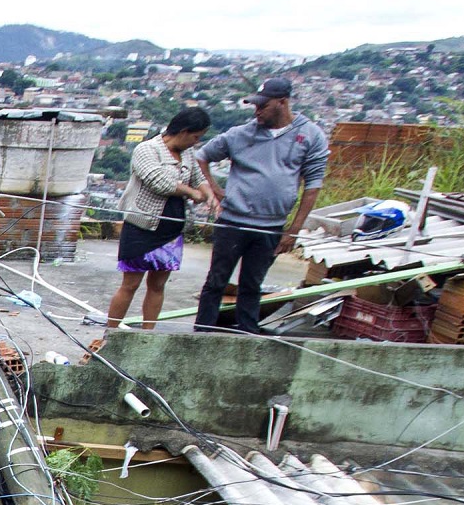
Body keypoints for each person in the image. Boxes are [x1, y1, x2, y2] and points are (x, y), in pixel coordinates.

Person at [192, 78, 328, 334]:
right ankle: (202, 331)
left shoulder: (310, 136)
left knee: (252, 283)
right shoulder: (241, 134)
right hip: (233, 221)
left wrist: (294, 229)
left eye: (263, 106)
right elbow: (202, 157)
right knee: (216, 280)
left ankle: (247, 332)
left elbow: (313, 184)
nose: (257, 111)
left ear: (282, 102)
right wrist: (216, 191)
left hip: (271, 225)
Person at [105, 107, 214, 331]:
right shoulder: (147, 150)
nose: (195, 142)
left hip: (170, 228)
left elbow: (197, 176)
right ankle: (111, 332)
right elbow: (159, 182)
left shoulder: (187, 154)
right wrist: (192, 193)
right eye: (195, 137)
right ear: (183, 131)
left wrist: (208, 193)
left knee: (158, 284)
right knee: (130, 283)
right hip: (142, 225)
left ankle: (148, 332)